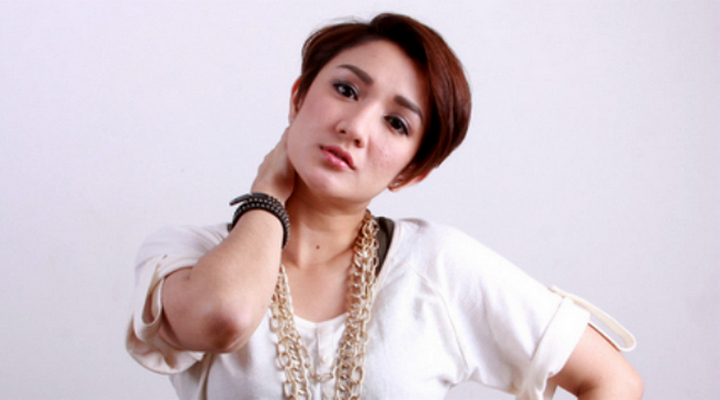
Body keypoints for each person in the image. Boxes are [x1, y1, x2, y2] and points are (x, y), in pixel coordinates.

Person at [127, 13, 643, 400]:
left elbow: (613, 380)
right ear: (298, 97)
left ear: (411, 171)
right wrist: (267, 193)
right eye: (346, 89)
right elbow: (225, 316)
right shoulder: (189, 256)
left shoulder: (435, 266)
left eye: (396, 123)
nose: (355, 127)